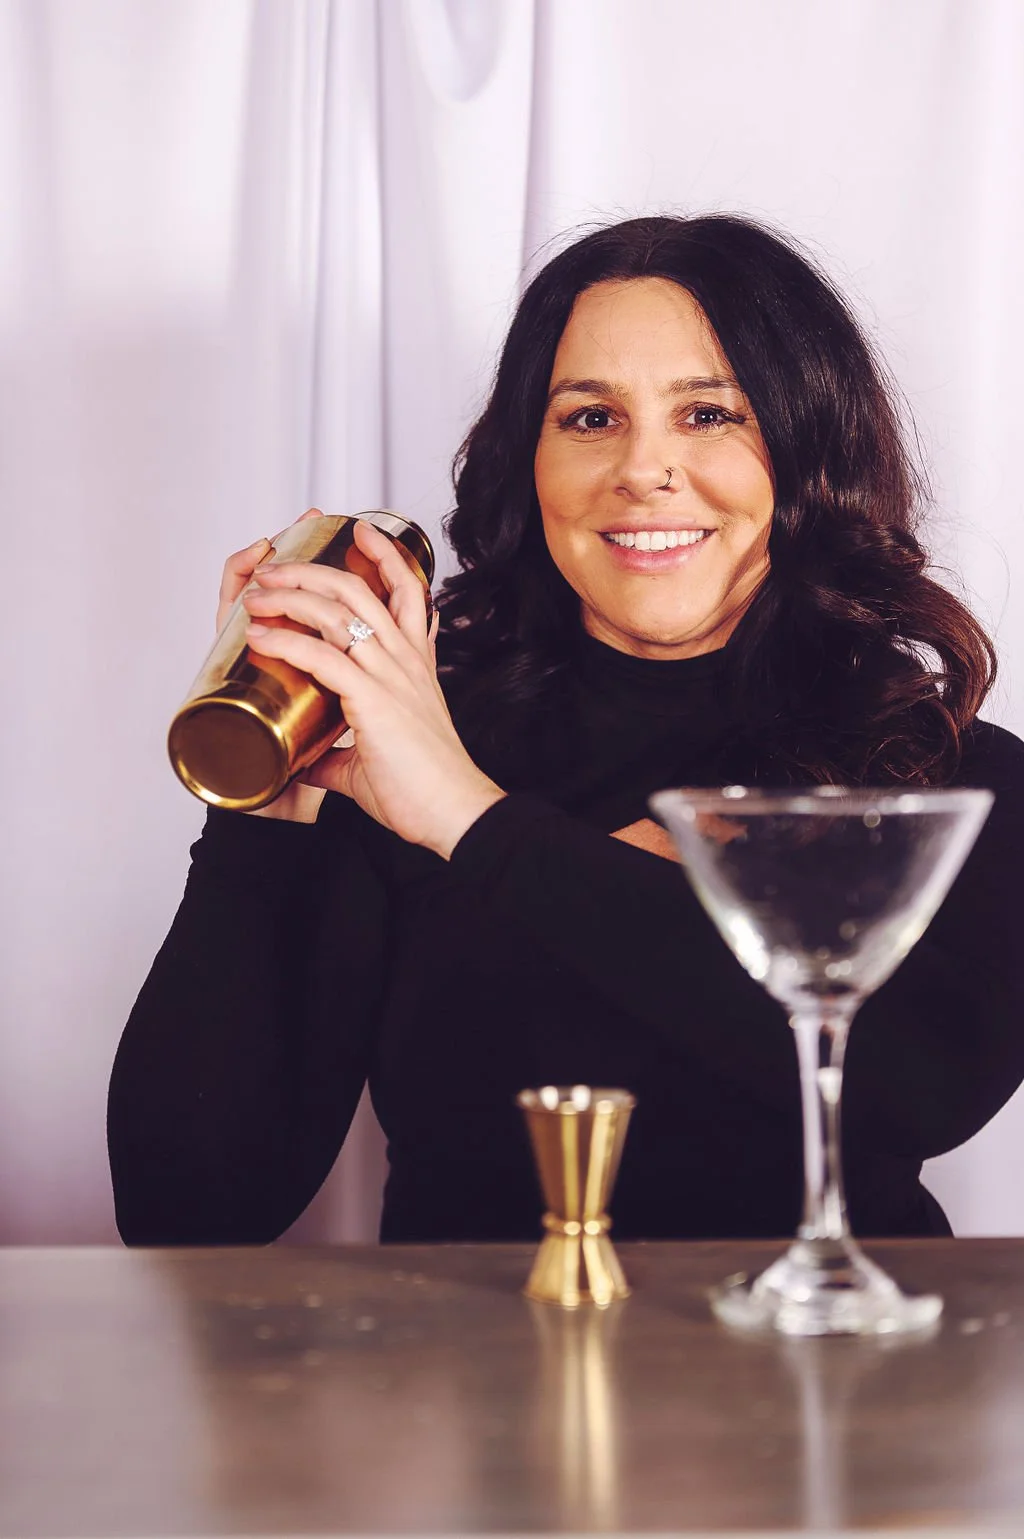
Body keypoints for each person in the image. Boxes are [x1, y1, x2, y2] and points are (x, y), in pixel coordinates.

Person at [108, 215, 1024, 1246]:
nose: (643, 469)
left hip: (827, 1347)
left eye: (709, 414)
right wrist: (265, 812)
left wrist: (471, 821)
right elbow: (184, 1212)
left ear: (810, 446)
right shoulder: (396, 759)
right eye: (590, 417)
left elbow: (926, 1082)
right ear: (528, 460)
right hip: (469, 1348)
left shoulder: (945, 776)